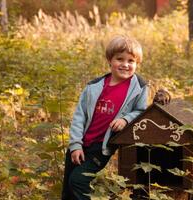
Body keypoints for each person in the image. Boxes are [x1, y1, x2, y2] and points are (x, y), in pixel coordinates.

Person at [61, 35, 170, 200]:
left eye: (131, 61)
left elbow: (140, 111)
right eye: (120, 59)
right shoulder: (94, 87)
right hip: (81, 142)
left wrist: (125, 119)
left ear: (137, 64)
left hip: (101, 146)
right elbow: (79, 116)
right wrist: (75, 145)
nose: (125, 65)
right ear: (109, 60)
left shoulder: (139, 88)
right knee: (68, 189)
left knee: (78, 180)